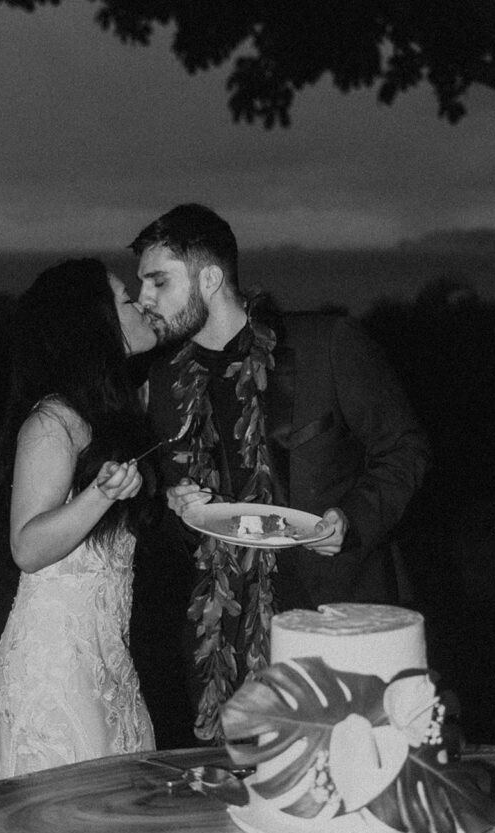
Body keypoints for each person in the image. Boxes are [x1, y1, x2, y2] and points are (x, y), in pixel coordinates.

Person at [0, 259, 235, 833]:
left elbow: (109, 536)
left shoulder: (117, 410)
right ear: (86, 324)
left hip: (107, 660)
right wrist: (96, 496)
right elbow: (28, 546)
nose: (138, 300)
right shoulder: (52, 422)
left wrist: (167, 496)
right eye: (120, 296)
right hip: (54, 660)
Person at [130, 205, 430, 742]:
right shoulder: (165, 381)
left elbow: (404, 448)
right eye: (141, 284)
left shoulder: (328, 345)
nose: (144, 298)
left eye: (158, 281)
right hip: (226, 635)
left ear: (211, 278)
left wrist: (352, 518)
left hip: (340, 616)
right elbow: (172, 524)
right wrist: (175, 503)